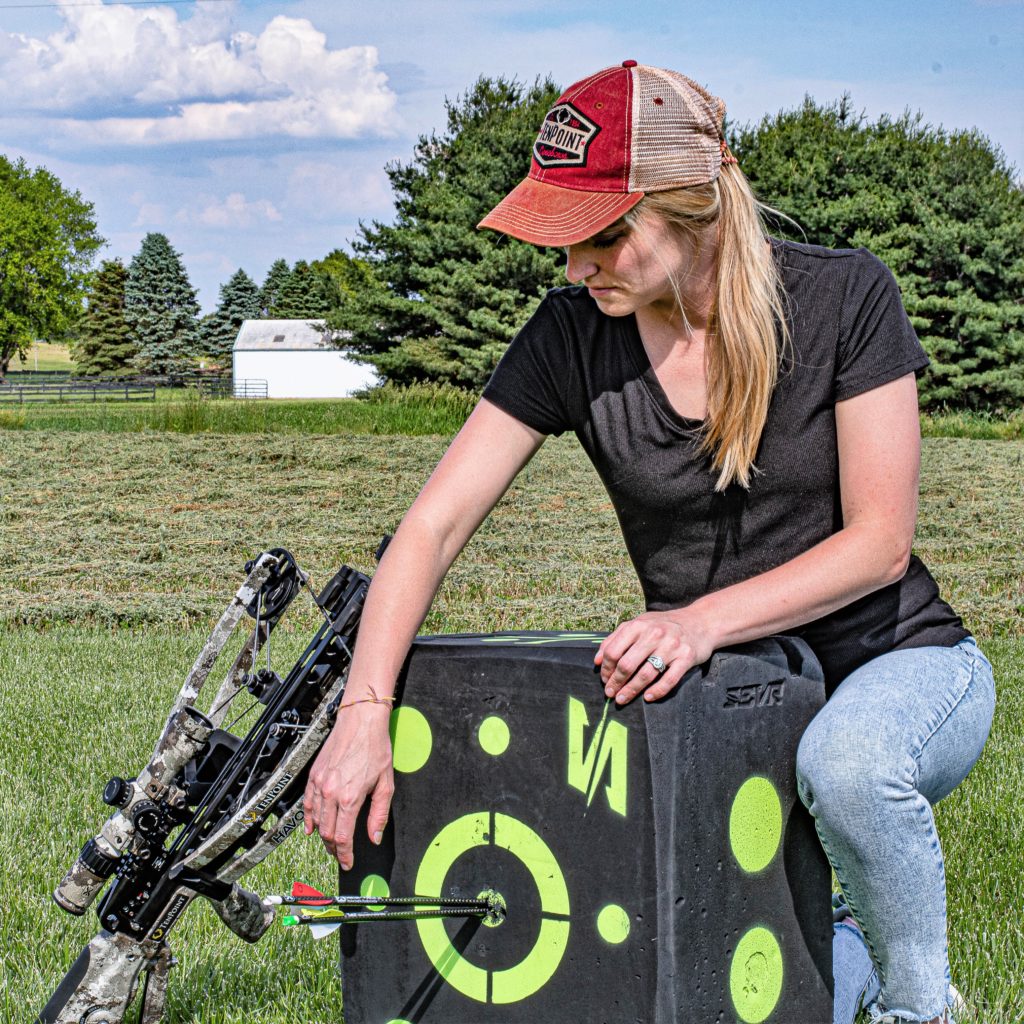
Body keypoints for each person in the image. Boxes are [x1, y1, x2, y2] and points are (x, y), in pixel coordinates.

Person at [303, 62, 995, 1024]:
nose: (577, 267)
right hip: (730, 697)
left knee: (846, 767)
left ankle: (923, 1011)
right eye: (563, 240)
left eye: (605, 237)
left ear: (695, 207)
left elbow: (879, 544)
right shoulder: (570, 335)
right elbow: (433, 524)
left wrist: (698, 622)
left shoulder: (846, 299)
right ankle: (844, 954)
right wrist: (364, 707)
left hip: (899, 663)